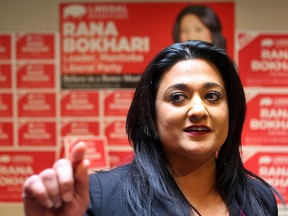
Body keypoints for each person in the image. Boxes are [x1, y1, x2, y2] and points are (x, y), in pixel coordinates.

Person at [22, 40, 284, 216]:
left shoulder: (257, 198)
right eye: (177, 97)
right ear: (150, 114)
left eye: (212, 96)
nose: (198, 110)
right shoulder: (100, 197)